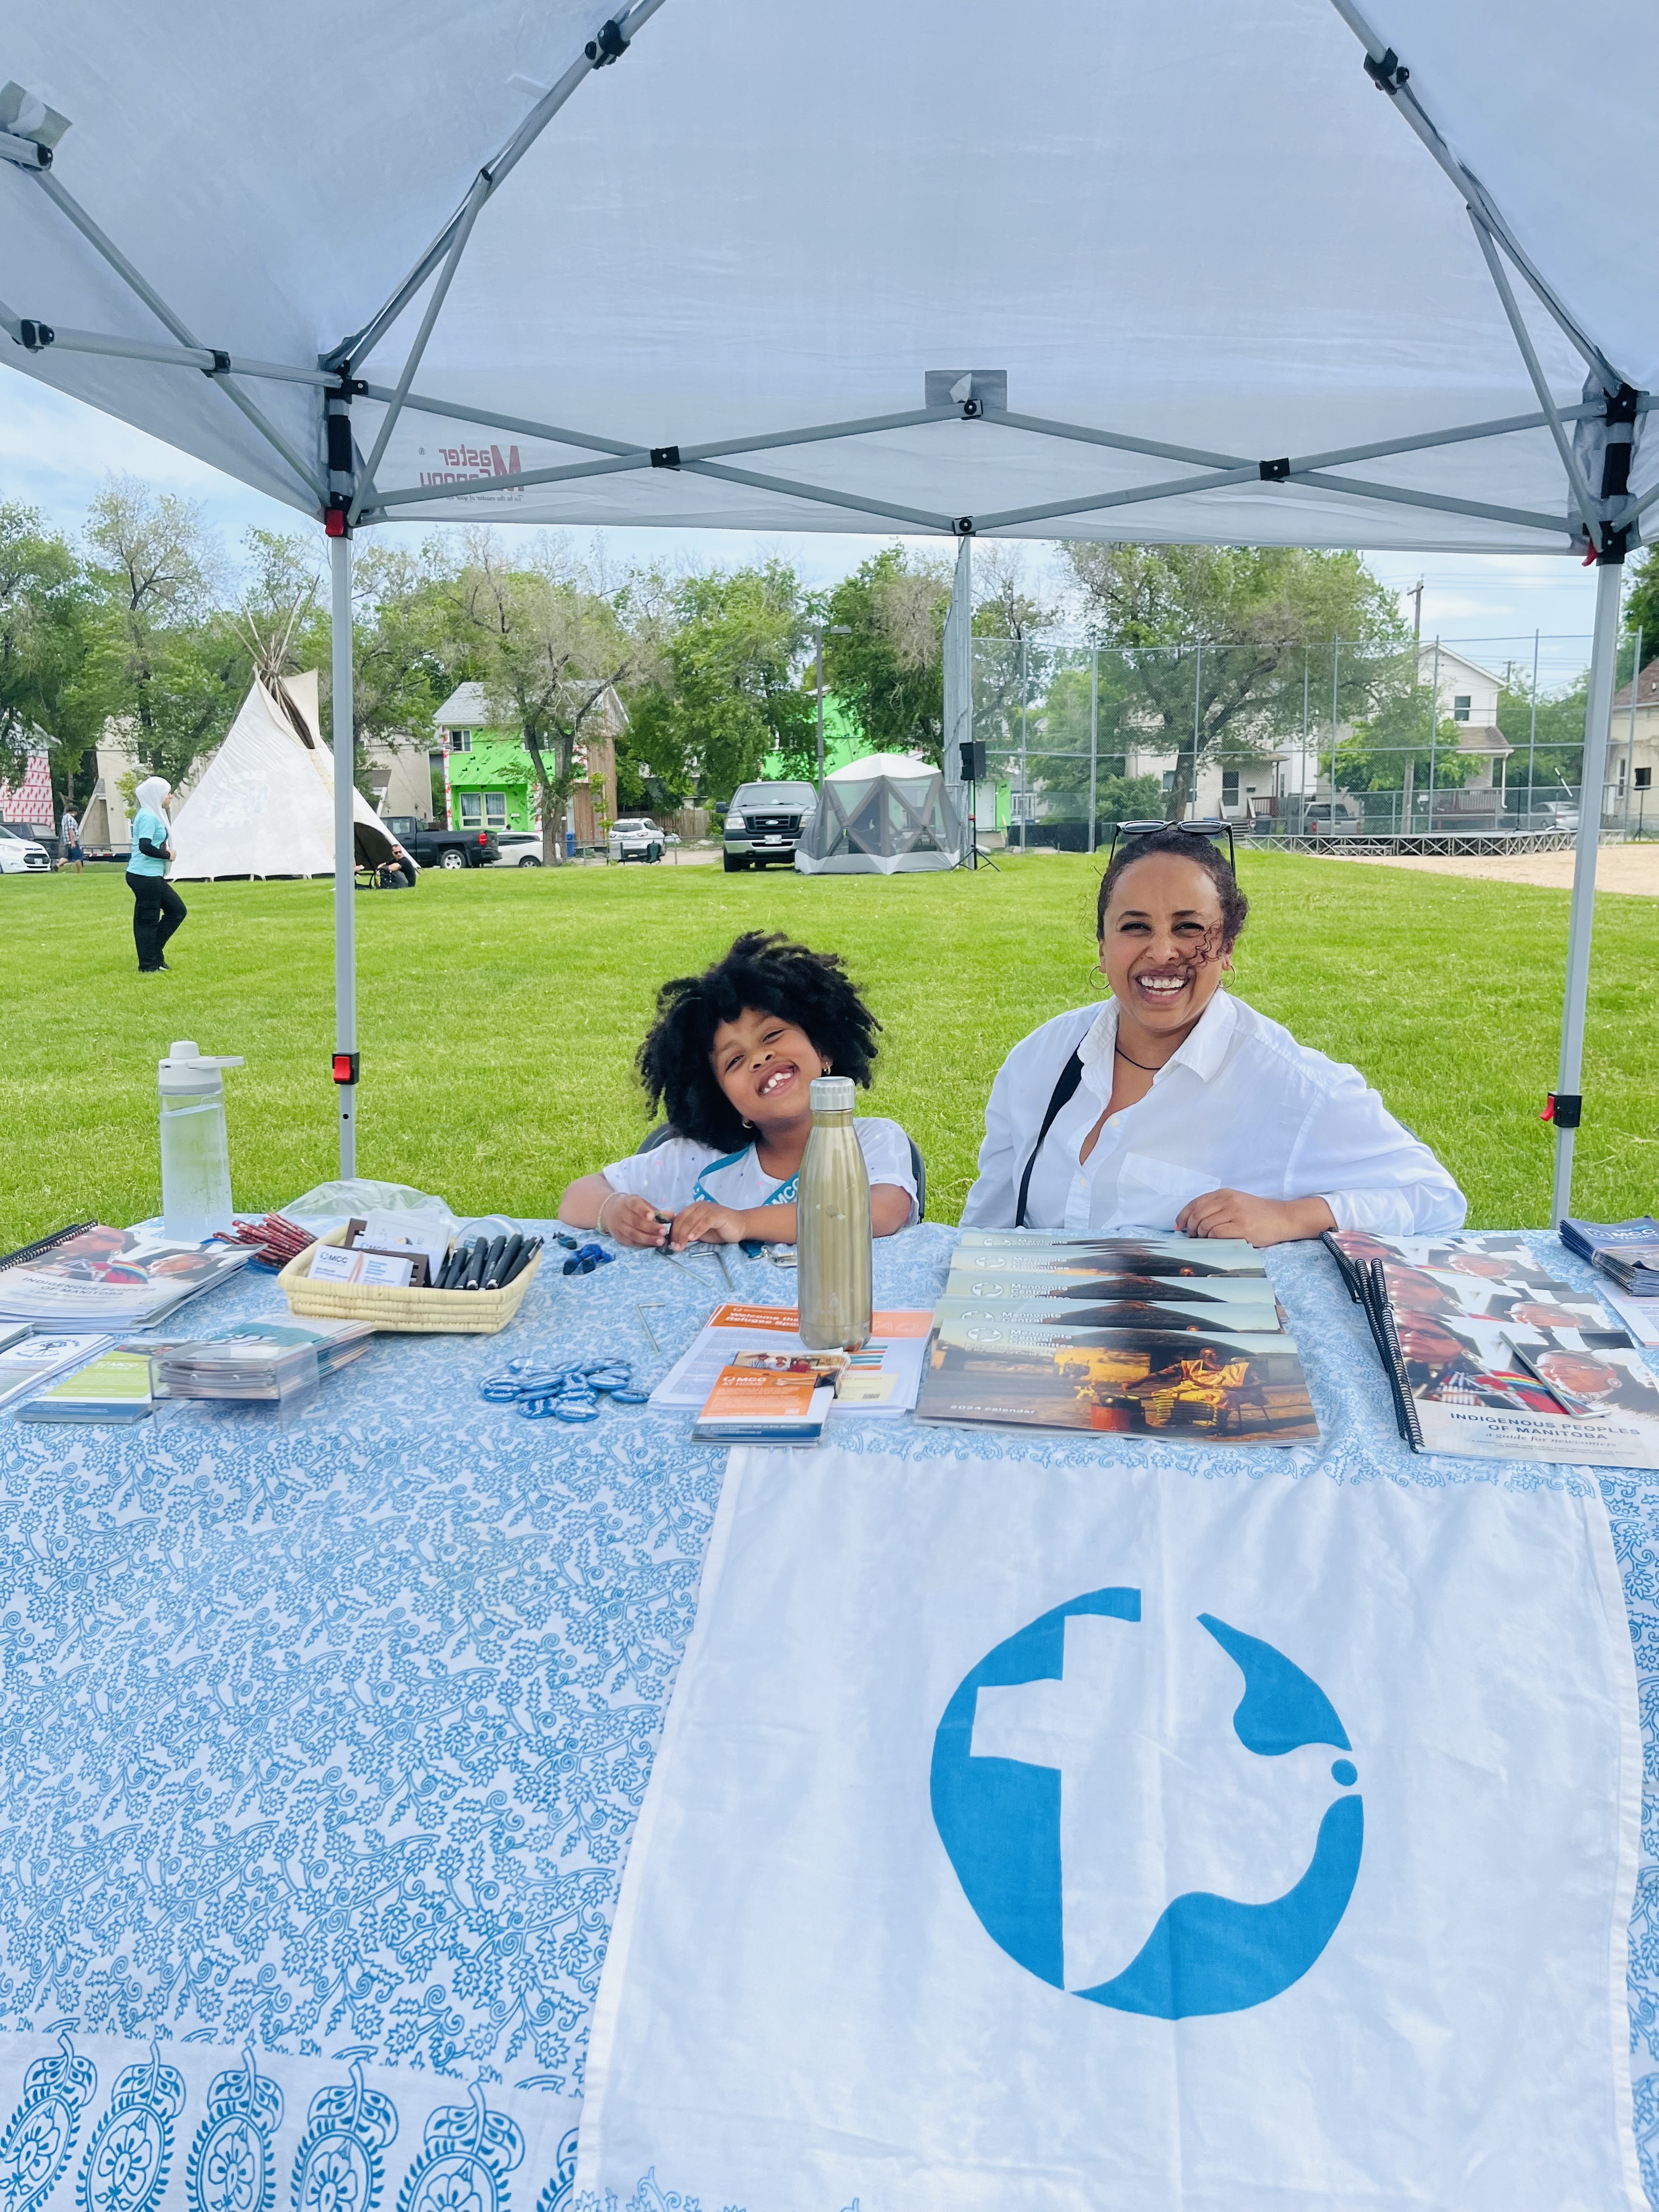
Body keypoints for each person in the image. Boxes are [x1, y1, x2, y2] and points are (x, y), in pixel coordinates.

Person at [962, 823, 1466, 1245]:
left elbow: (1434, 1200)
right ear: (1102, 946)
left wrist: (1291, 1217)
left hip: (1184, 1359)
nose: (1162, 952)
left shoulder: (1289, 1087)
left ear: (1226, 947)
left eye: (1189, 928)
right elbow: (985, 1228)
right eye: (1135, 927)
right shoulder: (1037, 1060)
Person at [559, 930, 918, 1250]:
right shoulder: (699, 1161)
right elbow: (577, 1198)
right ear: (722, 1098)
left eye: (773, 1035)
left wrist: (743, 1222)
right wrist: (614, 1210)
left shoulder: (872, 1140)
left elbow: (881, 1211)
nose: (760, 1057)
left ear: (823, 1050)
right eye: (734, 1061)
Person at [126, 775, 187, 974]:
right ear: (157, 795)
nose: (170, 796)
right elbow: (145, 846)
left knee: (176, 911)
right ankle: (149, 964)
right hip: (144, 876)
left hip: (150, 875)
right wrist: (167, 854)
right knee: (148, 920)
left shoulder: (152, 814)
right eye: (167, 793)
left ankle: (153, 955)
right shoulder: (148, 817)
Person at [58, 805, 84, 873]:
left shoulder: (64, 818)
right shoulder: (70, 819)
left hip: (67, 842)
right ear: (74, 812)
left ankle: (57, 867)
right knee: (78, 858)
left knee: (68, 858)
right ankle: (80, 873)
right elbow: (71, 831)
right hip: (73, 841)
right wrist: (73, 842)